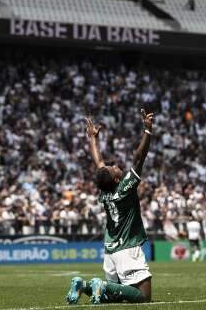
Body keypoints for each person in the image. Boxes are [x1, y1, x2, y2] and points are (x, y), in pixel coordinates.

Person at [65, 109, 154, 305]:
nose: (113, 165)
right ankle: (102, 285)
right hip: (127, 247)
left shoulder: (105, 191)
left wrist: (93, 139)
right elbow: (139, 159)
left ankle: (85, 286)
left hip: (110, 249)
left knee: (113, 297)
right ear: (116, 178)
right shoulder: (124, 189)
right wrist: (147, 131)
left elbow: (98, 163)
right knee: (143, 297)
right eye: (113, 168)